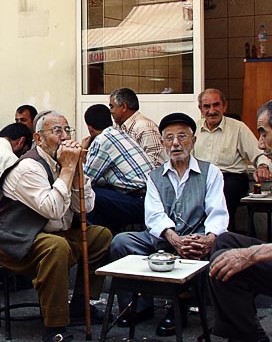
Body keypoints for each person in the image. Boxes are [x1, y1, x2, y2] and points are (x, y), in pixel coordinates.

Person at [0, 110, 112, 342]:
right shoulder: (29, 167)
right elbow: (52, 210)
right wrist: (67, 169)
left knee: (101, 236)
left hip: (56, 234)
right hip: (16, 242)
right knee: (55, 247)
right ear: (38, 139)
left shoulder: (61, 161)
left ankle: (80, 303)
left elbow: (86, 207)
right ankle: (54, 326)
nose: (65, 137)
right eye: (57, 131)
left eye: (67, 130)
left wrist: (77, 173)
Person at [109, 112, 228, 337]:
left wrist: (208, 238)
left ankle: (181, 305)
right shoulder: (154, 176)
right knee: (121, 242)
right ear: (163, 143)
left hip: (196, 239)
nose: (175, 143)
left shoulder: (210, 172)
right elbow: (153, 215)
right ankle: (138, 306)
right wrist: (173, 237)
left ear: (193, 141)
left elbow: (217, 212)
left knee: (219, 248)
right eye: (169, 138)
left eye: (182, 137)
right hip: (164, 239)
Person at [208, 100, 272, 342]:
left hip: (230, 180)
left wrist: (252, 254)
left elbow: (257, 156)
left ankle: (246, 337)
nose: (261, 143)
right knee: (223, 243)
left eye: (264, 132)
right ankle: (245, 333)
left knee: (226, 262)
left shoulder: (235, 129)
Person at [193, 88, 271, 231]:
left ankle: (222, 235)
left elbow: (260, 153)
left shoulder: (238, 128)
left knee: (223, 193)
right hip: (201, 178)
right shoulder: (194, 129)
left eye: (216, 105)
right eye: (207, 106)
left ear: (224, 106)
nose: (212, 110)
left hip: (230, 178)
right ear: (200, 108)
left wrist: (263, 167)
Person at [82, 104, 154, 234]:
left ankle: (99, 241)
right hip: (150, 197)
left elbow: (86, 180)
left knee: (89, 195)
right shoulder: (120, 133)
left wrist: (81, 154)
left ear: (90, 128)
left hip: (140, 202)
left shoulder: (102, 140)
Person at [109, 87, 167, 167]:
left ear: (123, 107)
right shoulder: (117, 127)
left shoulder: (145, 128)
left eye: (112, 107)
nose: (110, 111)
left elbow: (156, 165)